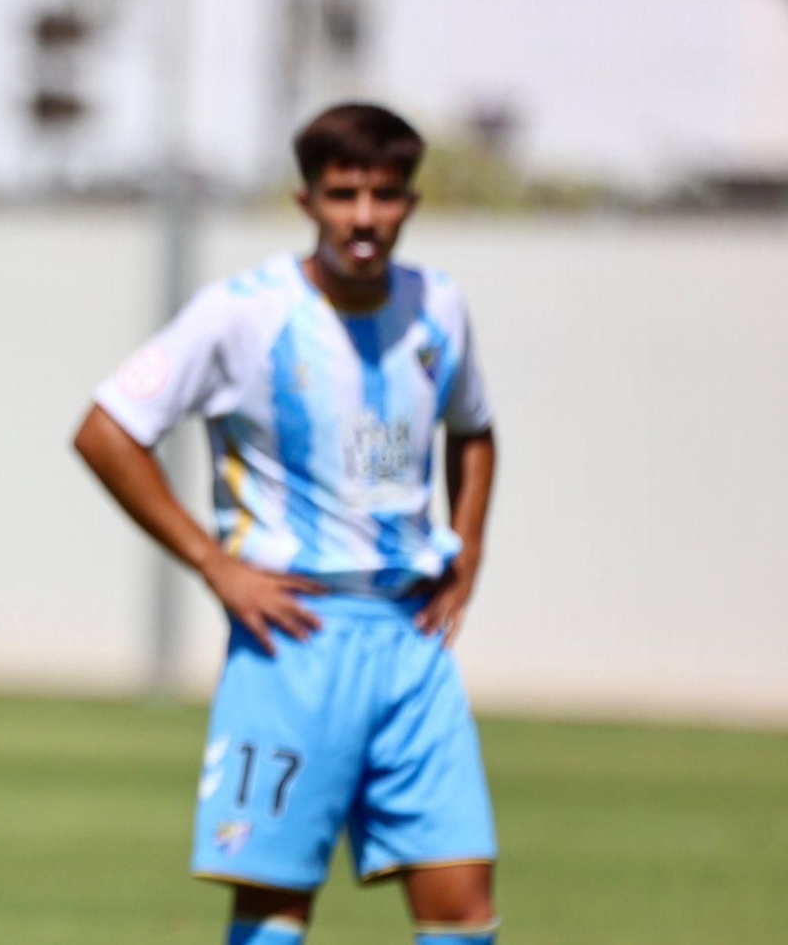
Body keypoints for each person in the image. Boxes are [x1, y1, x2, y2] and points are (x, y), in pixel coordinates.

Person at [74, 103, 499, 945]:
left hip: (412, 639)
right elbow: (106, 429)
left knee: (464, 905)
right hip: (294, 635)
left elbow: (474, 428)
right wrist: (215, 563)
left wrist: (469, 547)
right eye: (345, 193)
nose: (366, 216)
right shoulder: (244, 314)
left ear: (411, 200)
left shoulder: (438, 307)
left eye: (385, 193)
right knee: (274, 910)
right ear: (307, 200)